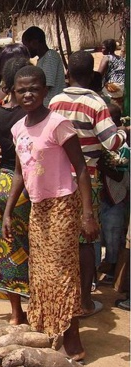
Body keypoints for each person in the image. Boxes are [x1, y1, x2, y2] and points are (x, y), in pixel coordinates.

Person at [3, 65, 98, 362]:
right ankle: (48, 329)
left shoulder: (59, 124)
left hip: (62, 205)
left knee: (62, 272)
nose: (28, 94)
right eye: (22, 90)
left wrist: (87, 213)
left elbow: (80, 168)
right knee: (41, 273)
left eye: (34, 88)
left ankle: (73, 338)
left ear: (46, 91)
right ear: (14, 94)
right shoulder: (17, 128)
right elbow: (19, 173)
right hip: (38, 208)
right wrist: (8, 212)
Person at [49, 51, 127, 317]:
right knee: (86, 239)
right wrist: (123, 133)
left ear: (68, 73)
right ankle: (84, 299)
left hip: (59, 179)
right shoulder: (96, 102)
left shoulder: (55, 100)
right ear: (93, 75)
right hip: (86, 179)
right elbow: (110, 141)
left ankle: (64, 294)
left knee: (64, 238)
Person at [0, 57, 32, 325]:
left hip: (3, 186)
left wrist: (0, 149)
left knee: (7, 248)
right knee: (36, 249)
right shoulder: (34, 114)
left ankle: (15, 313)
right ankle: (42, 308)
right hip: (31, 186)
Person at [96, 103, 129, 285]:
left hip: (115, 197)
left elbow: (119, 175)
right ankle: (107, 265)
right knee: (103, 233)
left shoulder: (122, 144)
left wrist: (100, 164)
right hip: (100, 195)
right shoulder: (101, 141)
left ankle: (113, 269)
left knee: (113, 233)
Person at [21, 26, 66, 106]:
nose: (26, 49)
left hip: (53, 106)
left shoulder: (50, 56)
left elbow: (44, 85)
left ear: (34, 42)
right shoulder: (41, 60)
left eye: (26, 45)